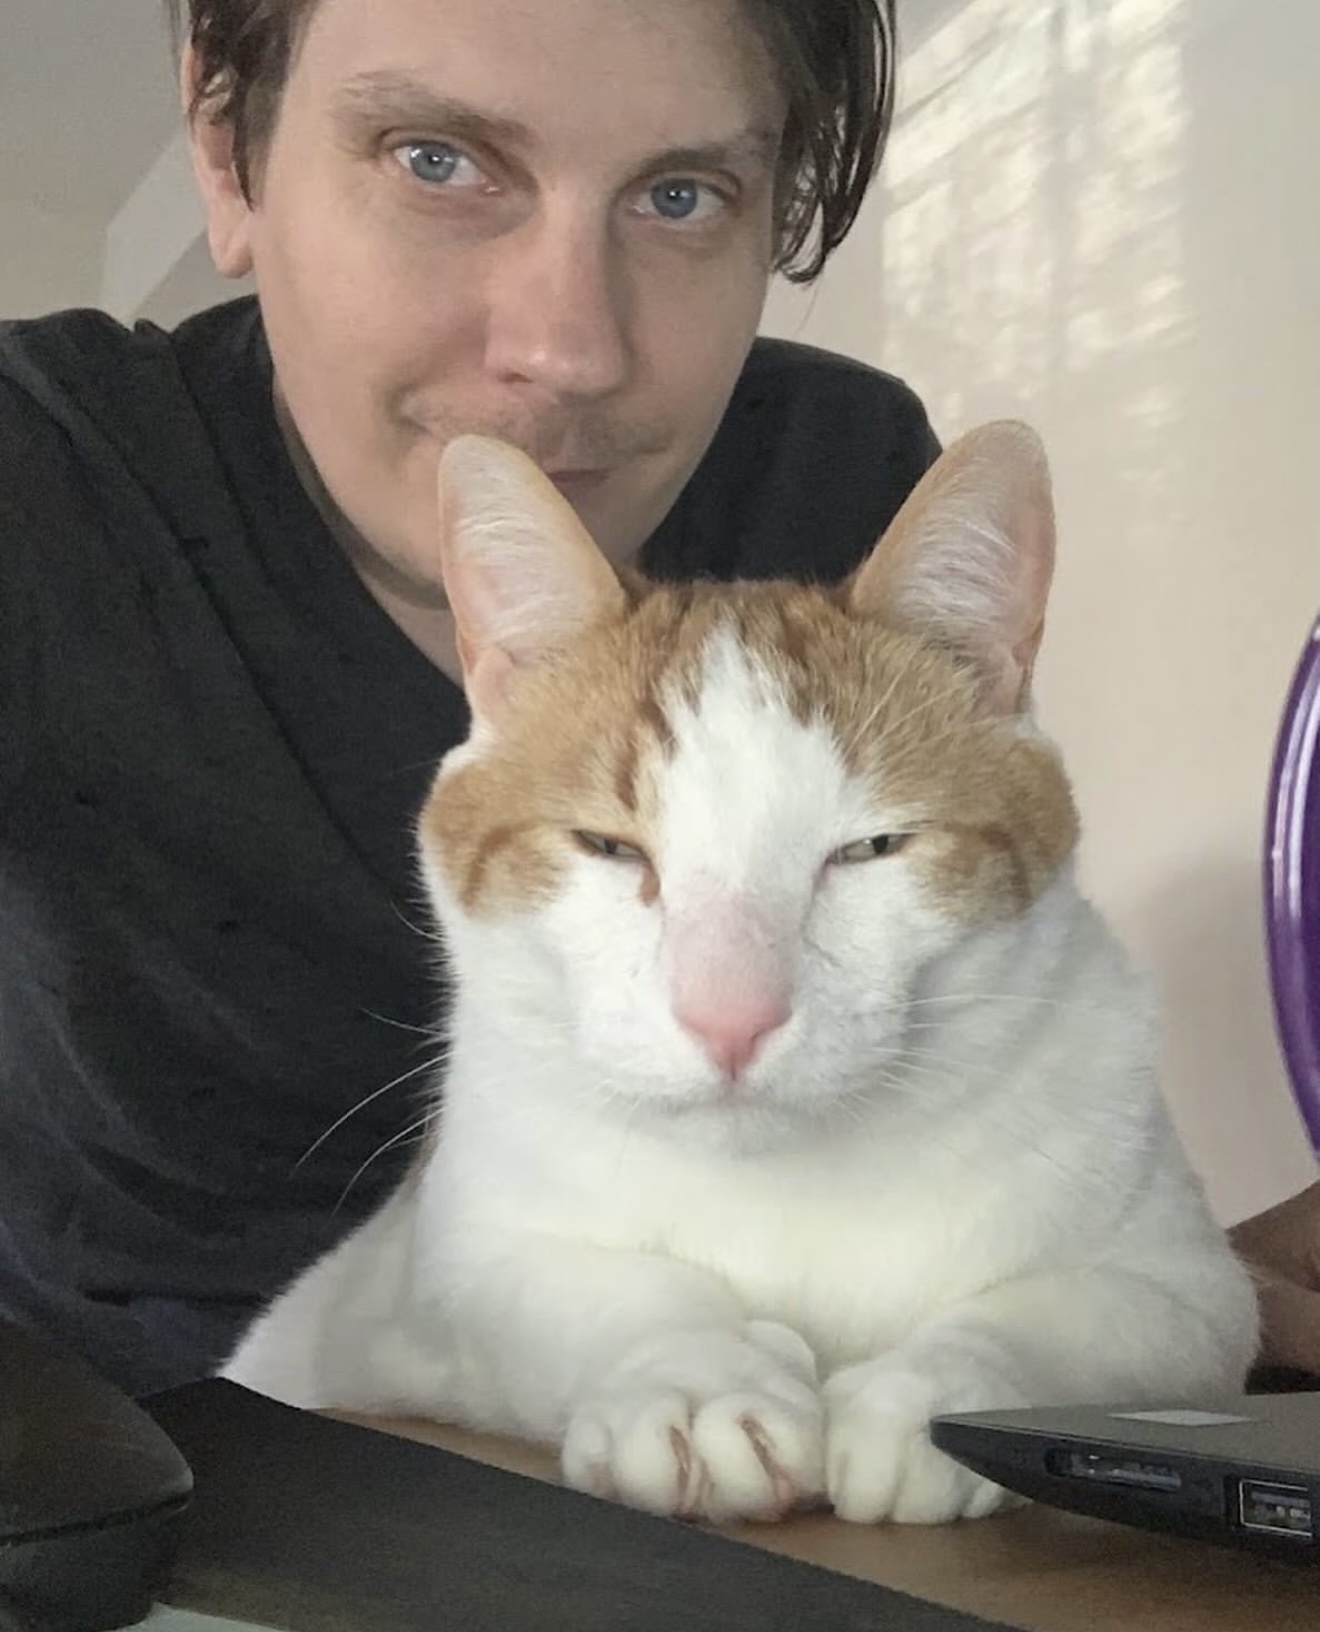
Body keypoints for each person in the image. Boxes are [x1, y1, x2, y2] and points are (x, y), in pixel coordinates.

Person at [1, 0, 943, 1396]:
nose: (572, 350)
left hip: (716, 1420)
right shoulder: (44, 481)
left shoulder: (837, 484)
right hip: (144, 1465)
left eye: (682, 195)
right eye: (434, 160)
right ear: (226, 147)